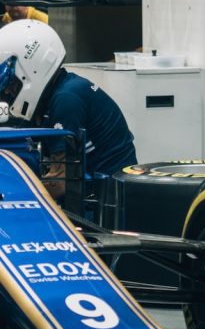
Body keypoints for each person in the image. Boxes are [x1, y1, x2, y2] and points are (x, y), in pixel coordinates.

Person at [0, 19, 136, 199]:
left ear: (30, 68)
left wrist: (10, 196)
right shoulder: (56, 94)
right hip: (95, 194)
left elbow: (61, 184)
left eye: (11, 82)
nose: (8, 90)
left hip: (104, 204)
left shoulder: (66, 99)